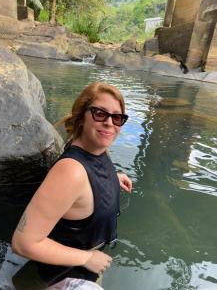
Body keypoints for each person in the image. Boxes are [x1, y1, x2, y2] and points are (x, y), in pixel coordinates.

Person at [11, 81, 132, 287]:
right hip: (63, 277)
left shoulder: (95, 149)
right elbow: (23, 243)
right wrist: (87, 258)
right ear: (82, 117)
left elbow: (89, 170)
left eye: (117, 117)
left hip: (86, 262)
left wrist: (113, 177)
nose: (110, 123)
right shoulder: (70, 172)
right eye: (100, 114)